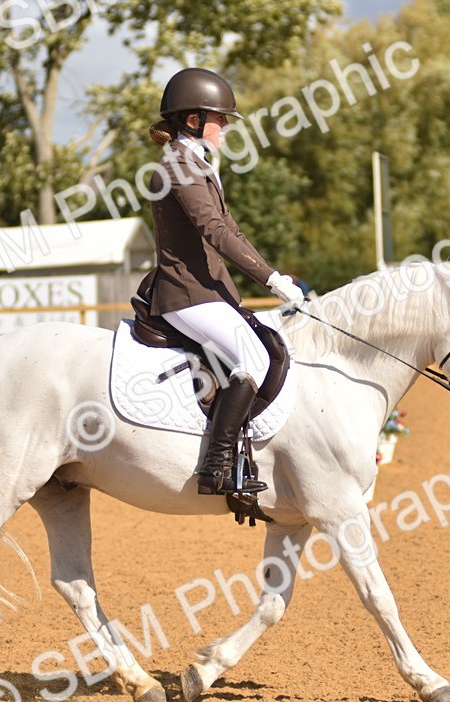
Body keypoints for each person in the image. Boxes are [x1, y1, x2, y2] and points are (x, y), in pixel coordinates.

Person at [142, 67, 305, 496]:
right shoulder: (177, 166)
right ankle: (216, 467)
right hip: (186, 293)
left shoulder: (197, 165)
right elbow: (212, 229)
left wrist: (275, 275)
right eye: (221, 117)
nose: (227, 126)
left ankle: (243, 451)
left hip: (209, 292)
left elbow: (231, 231)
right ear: (193, 120)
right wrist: (268, 279)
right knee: (252, 357)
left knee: (270, 347)